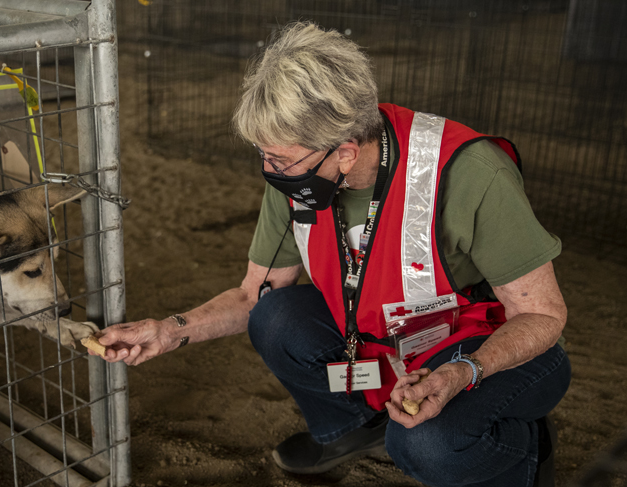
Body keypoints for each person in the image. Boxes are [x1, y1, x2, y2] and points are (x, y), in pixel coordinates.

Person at [93, 22, 570, 487]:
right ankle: (353, 428)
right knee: (276, 318)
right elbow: (253, 296)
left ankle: (523, 450)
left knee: (426, 445)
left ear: (344, 153)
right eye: (263, 154)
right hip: (380, 337)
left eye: (279, 159)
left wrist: (460, 373)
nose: (269, 171)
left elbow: (542, 314)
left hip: (476, 341)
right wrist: (169, 331)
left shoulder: (472, 173)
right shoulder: (302, 176)